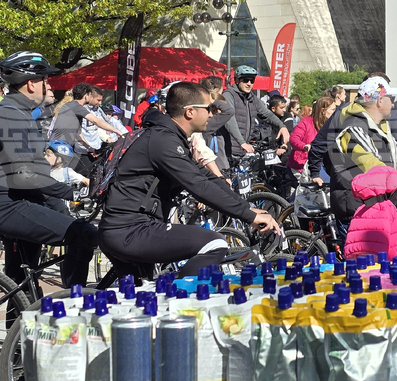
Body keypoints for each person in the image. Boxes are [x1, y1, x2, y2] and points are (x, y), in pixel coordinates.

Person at [98, 81, 279, 273]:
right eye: (208, 108)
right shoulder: (162, 141)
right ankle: (179, 298)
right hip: (130, 230)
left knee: (140, 292)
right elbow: (198, 185)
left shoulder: (171, 139)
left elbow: (207, 178)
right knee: (215, 243)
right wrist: (248, 216)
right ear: (190, 112)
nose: (211, 113)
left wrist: (248, 209)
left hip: (138, 226)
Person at [0, 51, 98, 287]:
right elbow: (24, 176)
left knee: (22, 283)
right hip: (9, 205)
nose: (49, 84)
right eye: (45, 80)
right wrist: (75, 193)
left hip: (21, 201)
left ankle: (21, 318)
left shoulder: (18, 113)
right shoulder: (10, 115)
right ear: (32, 84)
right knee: (85, 235)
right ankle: (75, 301)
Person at [328, 76, 397, 224]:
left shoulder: (379, 124)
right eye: (391, 98)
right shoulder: (355, 126)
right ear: (379, 100)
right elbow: (371, 165)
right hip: (357, 208)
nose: (393, 103)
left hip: (371, 204)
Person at [51, 83, 126, 174]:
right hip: (58, 149)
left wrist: (90, 149)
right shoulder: (76, 106)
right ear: (86, 96)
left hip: (62, 149)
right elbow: (96, 121)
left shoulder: (72, 107)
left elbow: (78, 135)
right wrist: (118, 131)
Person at [222, 65, 289, 161]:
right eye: (245, 80)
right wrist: (242, 143)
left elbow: (267, 114)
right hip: (227, 151)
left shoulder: (252, 98)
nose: (249, 83)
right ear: (237, 80)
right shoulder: (229, 95)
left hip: (243, 151)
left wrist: (282, 126)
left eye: (252, 81)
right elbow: (229, 120)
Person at [287, 96, 336, 175]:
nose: (335, 112)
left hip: (323, 165)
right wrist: (305, 146)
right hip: (301, 166)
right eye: (333, 110)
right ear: (323, 111)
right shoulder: (306, 122)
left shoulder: (332, 125)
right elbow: (293, 138)